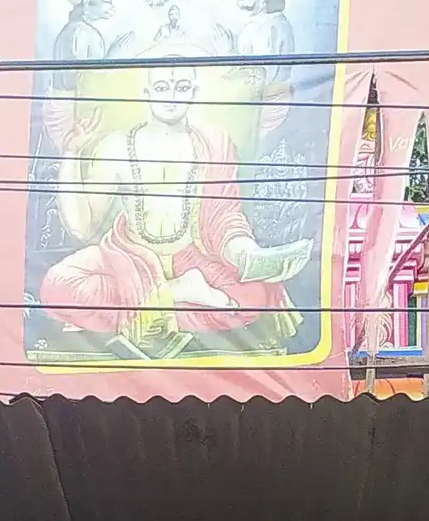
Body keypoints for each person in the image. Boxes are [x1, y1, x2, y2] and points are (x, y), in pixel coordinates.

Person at [40, 62, 312, 358]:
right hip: (129, 257)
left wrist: (253, 257)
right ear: (146, 93)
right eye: (161, 87)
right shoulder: (116, 147)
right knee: (58, 287)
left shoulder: (214, 143)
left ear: (193, 93)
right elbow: (82, 227)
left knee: (254, 296)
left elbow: (223, 217)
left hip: (192, 259)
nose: (171, 96)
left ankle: (153, 305)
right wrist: (71, 154)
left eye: (181, 87)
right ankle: (174, 295)